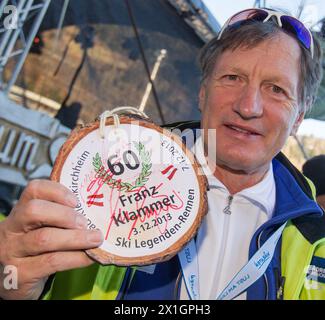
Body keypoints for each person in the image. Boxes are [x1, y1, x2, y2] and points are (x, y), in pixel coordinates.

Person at [1, 7, 325, 300]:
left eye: (276, 90)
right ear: (202, 92)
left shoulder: (317, 240)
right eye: (232, 78)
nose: (248, 106)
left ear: (298, 117)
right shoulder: (100, 178)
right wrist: (10, 285)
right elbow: (14, 274)